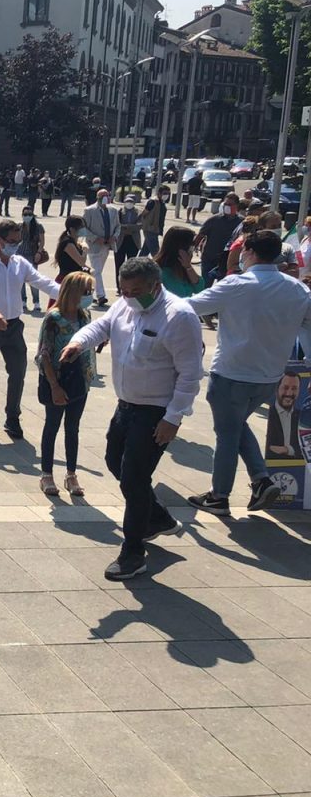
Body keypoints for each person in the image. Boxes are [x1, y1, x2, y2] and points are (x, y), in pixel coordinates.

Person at [61, 257, 203, 580]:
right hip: (126, 405)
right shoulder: (125, 305)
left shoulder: (179, 317)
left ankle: (133, 552)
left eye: (135, 291)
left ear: (155, 285)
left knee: (134, 480)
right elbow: (102, 326)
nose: (128, 297)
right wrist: (78, 342)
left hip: (155, 411)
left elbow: (190, 374)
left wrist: (173, 418)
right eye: (123, 291)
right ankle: (157, 517)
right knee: (114, 461)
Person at [184, 230, 311, 516]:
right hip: (270, 377)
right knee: (236, 425)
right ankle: (260, 481)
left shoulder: (237, 284)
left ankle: (220, 495)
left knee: (227, 435)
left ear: (249, 252)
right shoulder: (297, 289)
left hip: (232, 373)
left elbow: (190, 306)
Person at [0, 220, 61, 438]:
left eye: (18, 242)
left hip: (13, 327)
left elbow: (42, 282)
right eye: (11, 242)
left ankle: (12, 417)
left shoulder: (20, 263)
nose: (15, 246)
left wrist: (69, 295)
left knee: (18, 372)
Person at [36, 272, 96, 498]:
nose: (89, 296)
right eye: (86, 291)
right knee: (52, 425)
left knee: (73, 427)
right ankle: (46, 474)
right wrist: (54, 386)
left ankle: (71, 474)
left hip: (80, 380)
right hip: (58, 379)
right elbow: (44, 354)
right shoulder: (54, 319)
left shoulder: (85, 315)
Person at [81, 187, 118, 306]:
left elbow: (118, 226)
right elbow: (84, 228)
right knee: (96, 271)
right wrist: (95, 238)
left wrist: (114, 236)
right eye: (103, 196)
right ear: (98, 198)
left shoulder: (113, 210)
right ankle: (101, 296)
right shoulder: (89, 210)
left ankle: (87, 288)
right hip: (94, 245)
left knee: (97, 271)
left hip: (107, 246)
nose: (106, 198)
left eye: (107, 196)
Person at [154, 227, 206, 298]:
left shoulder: (184, 268)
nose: (193, 251)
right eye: (191, 247)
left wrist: (188, 267)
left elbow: (199, 288)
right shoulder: (158, 271)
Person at [267, 372, 304, 460]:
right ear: (277, 389)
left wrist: (287, 450)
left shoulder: (302, 417)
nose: (289, 393)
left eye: (294, 388)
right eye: (285, 387)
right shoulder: (270, 414)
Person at [19, 205, 47, 311]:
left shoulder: (38, 227)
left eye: (29, 214)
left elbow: (42, 242)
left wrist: (39, 253)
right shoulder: (19, 226)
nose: (27, 216)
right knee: (20, 279)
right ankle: (23, 301)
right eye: (25, 214)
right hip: (20, 254)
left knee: (33, 279)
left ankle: (36, 302)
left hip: (32, 255)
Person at [113, 194, 142, 278]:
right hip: (120, 241)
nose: (129, 203)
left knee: (131, 266)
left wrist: (126, 227)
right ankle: (119, 283)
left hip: (133, 241)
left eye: (131, 201)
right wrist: (130, 227)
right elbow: (117, 225)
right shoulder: (119, 212)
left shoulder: (139, 213)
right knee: (119, 265)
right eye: (127, 201)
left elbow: (139, 226)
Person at [140, 185, 170, 256]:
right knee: (156, 253)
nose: (166, 195)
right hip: (150, 229)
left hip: (156, 230)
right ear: (159, 193)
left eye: (168, 193)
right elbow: (144, 213)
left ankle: (137, 262)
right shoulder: (153, 202)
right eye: (164, 193)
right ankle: (158, 263)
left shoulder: (162, 203)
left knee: (145, 251)